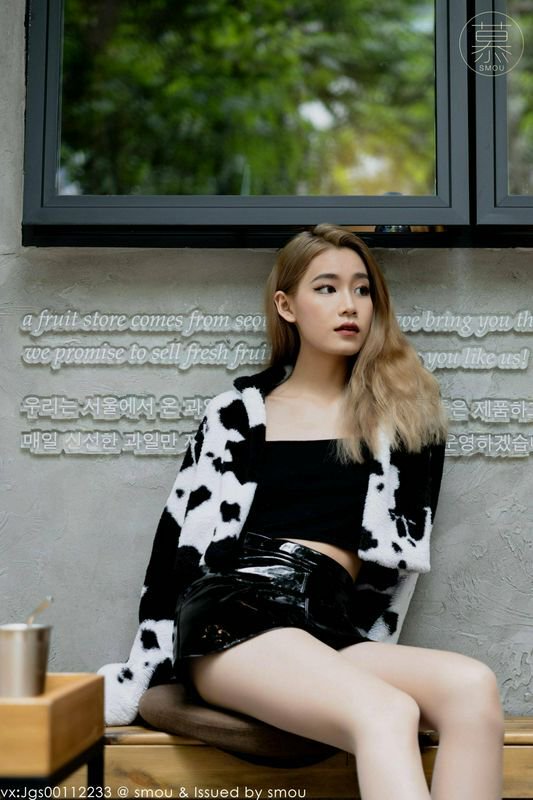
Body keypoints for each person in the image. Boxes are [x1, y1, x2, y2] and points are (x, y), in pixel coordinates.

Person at [99, 224, 504, 800]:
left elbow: (394, 573)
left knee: (472, 686)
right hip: (234, 615)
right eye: (327, 288)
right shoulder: (236, 414)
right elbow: (176, 549)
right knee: (387, 711)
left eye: (362, 289)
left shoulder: (404, 420)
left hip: (326, 625)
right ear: (286, 306)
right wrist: (141, 673)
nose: (350, 305)